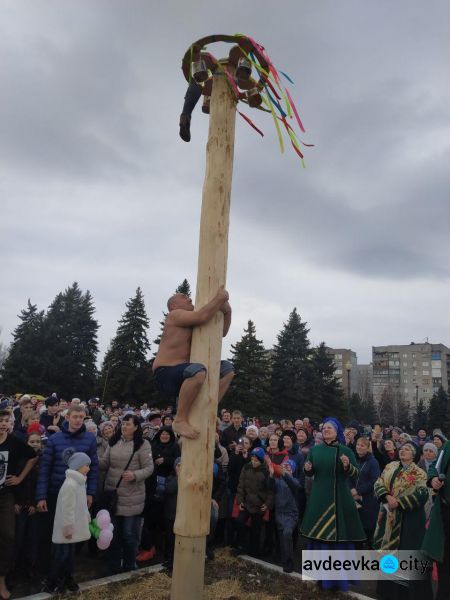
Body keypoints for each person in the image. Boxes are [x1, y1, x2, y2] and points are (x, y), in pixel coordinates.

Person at [152, 287, 234, 439]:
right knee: (197, 371)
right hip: (165, 374)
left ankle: (210, 409)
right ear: (174, 306)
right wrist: (219, 299)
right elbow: (202, 316)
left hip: (186, 374)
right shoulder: (174, 316)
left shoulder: (193, 320)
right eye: (183, 297)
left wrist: (227, 311)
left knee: (227, 370)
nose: (189, 298)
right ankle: (180, 419)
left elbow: (221, 331)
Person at [300, 417, 366, 592]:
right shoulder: (314, 450)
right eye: (324, 428)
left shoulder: (345, 450)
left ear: (337, 431)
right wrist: (307, 468)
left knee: (337, 540)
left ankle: (336, 581)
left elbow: (355, 473)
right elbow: (309, 470)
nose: (326, 430)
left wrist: (346, 465)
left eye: (330, 427)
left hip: (339, 499)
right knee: (317, 538)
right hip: (318, 498)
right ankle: (317, 577)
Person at [35, 405, 99, 576]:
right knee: (55, 535)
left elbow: (94, 468)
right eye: (75, 416)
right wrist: (41, 496)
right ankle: (51, 575)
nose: (78, 420)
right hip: (56, 493)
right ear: (68, 417)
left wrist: (91, 492)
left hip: (79, 494)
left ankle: (68, 574)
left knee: (72, 535)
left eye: (82, 417)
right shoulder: (55, 439)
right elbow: (45, 469)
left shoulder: (90, 439)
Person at [373, 442, 431, 600]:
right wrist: (386, 497)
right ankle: (386, 590)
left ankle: (403, 593)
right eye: (402, 448)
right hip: (389, 518)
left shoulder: (419, 473)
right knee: (387, 554)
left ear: (414, 455)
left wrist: (399, 502)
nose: (403, 450)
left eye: (407, 449)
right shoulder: (390, 466)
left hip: (408, 521)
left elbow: (422, 494)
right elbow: (378, 483)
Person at [100, 414, 153, 573]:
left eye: (128, 424)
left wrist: (135, 475)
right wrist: (90, 459)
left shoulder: (143, 445)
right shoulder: (113, 441)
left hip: (132, 496)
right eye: (123, 424)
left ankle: (130, 564)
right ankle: (114, 565)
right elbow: (105, 463)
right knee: (113, 533)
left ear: (136, 427)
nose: (124, 426)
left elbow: (149, 468)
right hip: (113, 496)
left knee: (129, 534)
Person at [0, 408, 37, 600]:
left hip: (6, 495)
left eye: (7, 420)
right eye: (0, 420)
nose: (3, 423)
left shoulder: (14, 442)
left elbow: (33, 456)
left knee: (8, 535)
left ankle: (2, 579)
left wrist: (20, 478)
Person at [43, 449, 92, 593]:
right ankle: (53, 582)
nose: (89, 468)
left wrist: (86, 515)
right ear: (77, 466)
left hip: (72, 527)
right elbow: (67, 509)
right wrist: (68, 528)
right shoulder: (71, 484)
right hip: (67, 528)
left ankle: (67, 579)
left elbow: (81, 504)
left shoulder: (79, 482)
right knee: (61, 555)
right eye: (86, 465)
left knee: (69, 555)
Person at [422, 439, 450, 600]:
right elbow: (434, 467)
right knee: (445, 562)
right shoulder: (447, 447)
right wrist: (433, 479)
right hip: (446, 513)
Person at [235, 447, 273, 558]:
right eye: (252, 459)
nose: (253, 462)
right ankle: (240, 546)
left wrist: (267, 504)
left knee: (256, 530)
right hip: (246, 502)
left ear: (261, 461)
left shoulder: (265, 472)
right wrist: (240, 500)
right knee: (239, 522)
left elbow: (270, 490)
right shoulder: (246, 468)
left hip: (259, 505)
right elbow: (241, 485)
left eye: (256, 460)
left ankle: (254, 552)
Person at [267, 458, 300, 573]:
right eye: (283, 467)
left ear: (292, 470)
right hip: (279, 513)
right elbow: (270, 487)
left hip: (291, 514)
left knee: (287, 533)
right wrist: (271, 474)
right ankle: (284, 559)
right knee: (282, 538)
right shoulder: (278, 481)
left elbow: (293, 484)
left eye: (288, 467)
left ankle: (289, 562)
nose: (285, 469)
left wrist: (284, 473)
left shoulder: (295, 481)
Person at [349, 436, 380, 545]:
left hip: (368, 500)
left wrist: (358, 491)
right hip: (352, 498)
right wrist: (351, 489)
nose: (359, 447)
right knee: (354, 530)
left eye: (362, 445)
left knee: (367, 529)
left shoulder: (373, 462)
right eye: (358, 444)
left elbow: (374, 480)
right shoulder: (353, 458)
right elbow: (348, 475)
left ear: (367, 448)